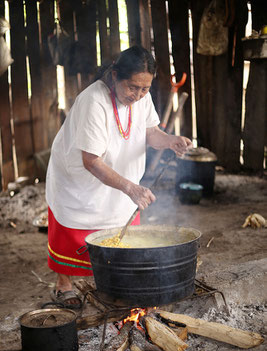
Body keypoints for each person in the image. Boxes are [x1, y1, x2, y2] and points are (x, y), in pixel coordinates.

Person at [46, 45, 192, 308]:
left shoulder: (141, 97)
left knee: (119, 230)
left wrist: (171, 141)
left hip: (121, 176)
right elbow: (90, 161)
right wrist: (131, 188)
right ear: (115, 75)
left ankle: (114, 280)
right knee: (74, 230)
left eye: (144, 89)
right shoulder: (93, 101)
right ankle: (64, 285)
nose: (137, 95)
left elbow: (151, 133)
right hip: (81, 176)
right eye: (132, 87)